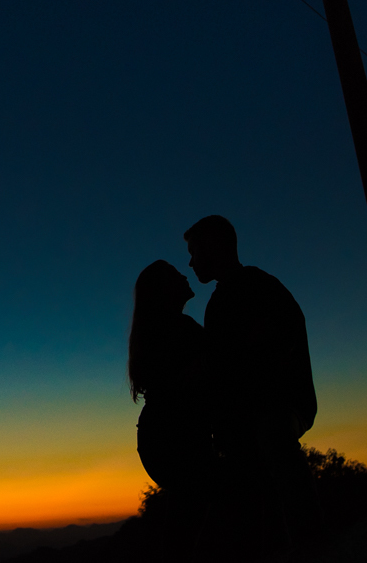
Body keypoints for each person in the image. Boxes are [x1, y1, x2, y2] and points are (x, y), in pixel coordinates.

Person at [183, 215, 320, 558]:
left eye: (194, 251)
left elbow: (267, 356)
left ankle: (310, 540)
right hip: (253, 417)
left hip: (278, 409)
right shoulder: (225, 299)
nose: (190, 261)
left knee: (269, 444)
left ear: (214, 248)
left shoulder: (256, 288)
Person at [128, 260, 215, 559]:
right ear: (165, 289)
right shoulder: (177, 330)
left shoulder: (158, 332)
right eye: (177, 275)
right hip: (176, 435)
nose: (184, 275)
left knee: (186, 517)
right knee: (191, 519)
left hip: (161, 436)